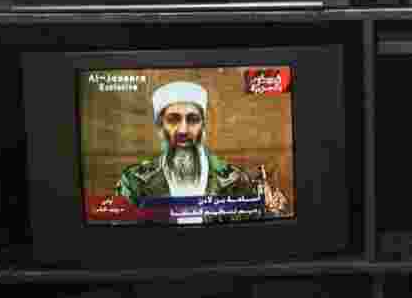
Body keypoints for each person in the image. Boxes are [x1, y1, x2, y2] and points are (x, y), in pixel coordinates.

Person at [115, 80, 288, 213]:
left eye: (192, 119)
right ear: (161, 127)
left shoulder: (235, 181)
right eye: (173, 119)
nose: (183, 130)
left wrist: (272, 210)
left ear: (203, 126)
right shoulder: (133, 182)